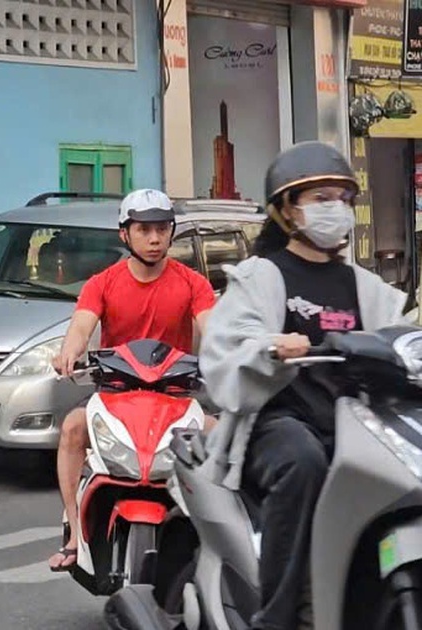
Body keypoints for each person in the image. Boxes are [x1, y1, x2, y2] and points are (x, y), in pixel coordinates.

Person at [200, 141, 408, 630]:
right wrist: (272, 346)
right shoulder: (260, 276)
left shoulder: (366, 286)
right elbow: (229, 342)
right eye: (320, 198)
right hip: (279, 420)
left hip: (357, 424)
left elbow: (401, 333)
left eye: (341, 197)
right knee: (303, 463)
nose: (335, 208)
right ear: (289, 210)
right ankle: (278, 618)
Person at [48, 188, 216, 572]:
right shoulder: (102, 283)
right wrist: (69, 353)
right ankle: (75, 533)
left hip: (176, 396)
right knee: (73, 428)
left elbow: (215, 327)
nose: (154, 239)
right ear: (124, 234)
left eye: (162, 229)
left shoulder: (193, 283)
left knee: (221, 434)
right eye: (144, 229)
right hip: (115, 394)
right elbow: (81, 327)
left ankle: (221, 539)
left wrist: (228, 351)